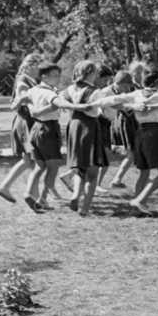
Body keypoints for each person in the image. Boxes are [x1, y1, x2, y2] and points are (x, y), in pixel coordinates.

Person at [95, 70, 158, 216]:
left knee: (144, 171)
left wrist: (130, 106)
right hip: (154, 133)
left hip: (139, 133)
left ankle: (137, 205)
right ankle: (139, 200)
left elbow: (109, 101)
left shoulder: (135, 95)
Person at [20, 62, 95, 212]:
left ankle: (29, 193)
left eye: (58, 75)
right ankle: (42, 199)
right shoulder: (49, 93)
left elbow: (22, 100)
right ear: (44, 76)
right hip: (49, 129)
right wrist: (79, 107)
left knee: (40, 166)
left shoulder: (34, 89)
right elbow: (59, 103)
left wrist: (34, 111)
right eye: (54, 75)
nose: (58, 78)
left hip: (35, 129)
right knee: (53, 167)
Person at [60, 60, 107, 216]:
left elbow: (61, 103)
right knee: (93, 172)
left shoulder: (68, 90)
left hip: (73, 126)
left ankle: (75, 196)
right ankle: (85, 208)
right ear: (92, 73)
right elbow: (101, 111)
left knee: (80, 167)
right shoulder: (95, 91)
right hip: (89, 127)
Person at [0, 52, 41, 204]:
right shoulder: (23, 80)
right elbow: (21, 98)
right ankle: (7, 188)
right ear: (31, 65)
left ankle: (33, 196)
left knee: (31, 161)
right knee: (31, 160)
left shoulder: (29, 79)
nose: (40, 69)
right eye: (38, 65)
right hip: (24, 126)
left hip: (26, 124)